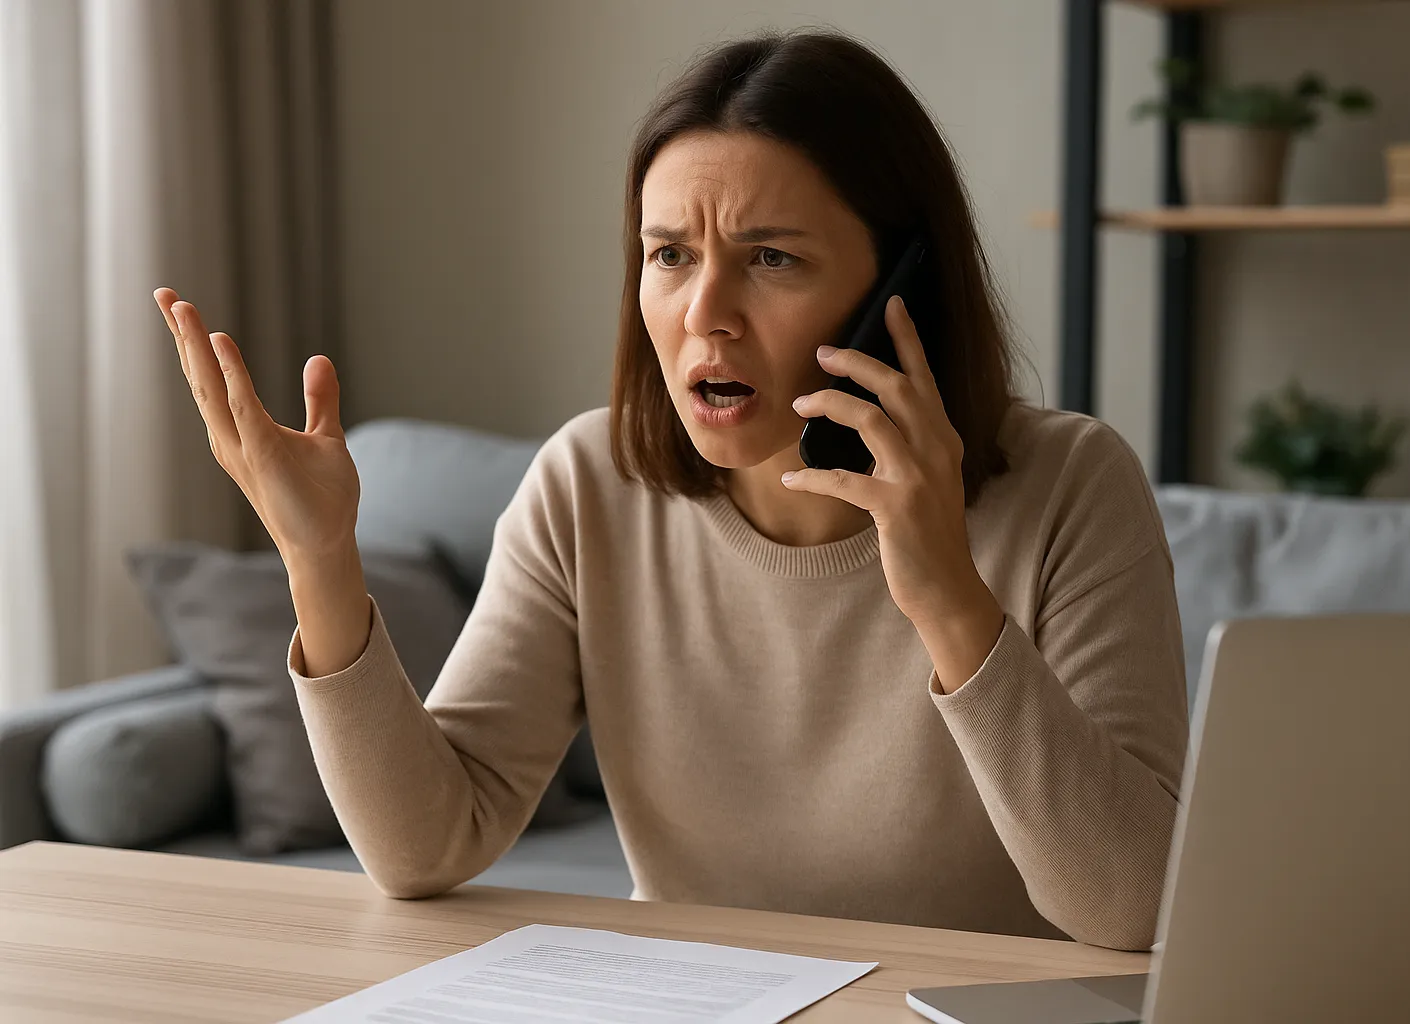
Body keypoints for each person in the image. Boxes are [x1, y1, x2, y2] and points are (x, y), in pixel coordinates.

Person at [153, 29, 1188, 951]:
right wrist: (320, 560)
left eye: (771, 257)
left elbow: (1134, 909)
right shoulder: (586, 485)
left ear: (899, 290)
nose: (706, 313)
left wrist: (952, 603)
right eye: (669, 255)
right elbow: (426, 846)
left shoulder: (1070, 485)